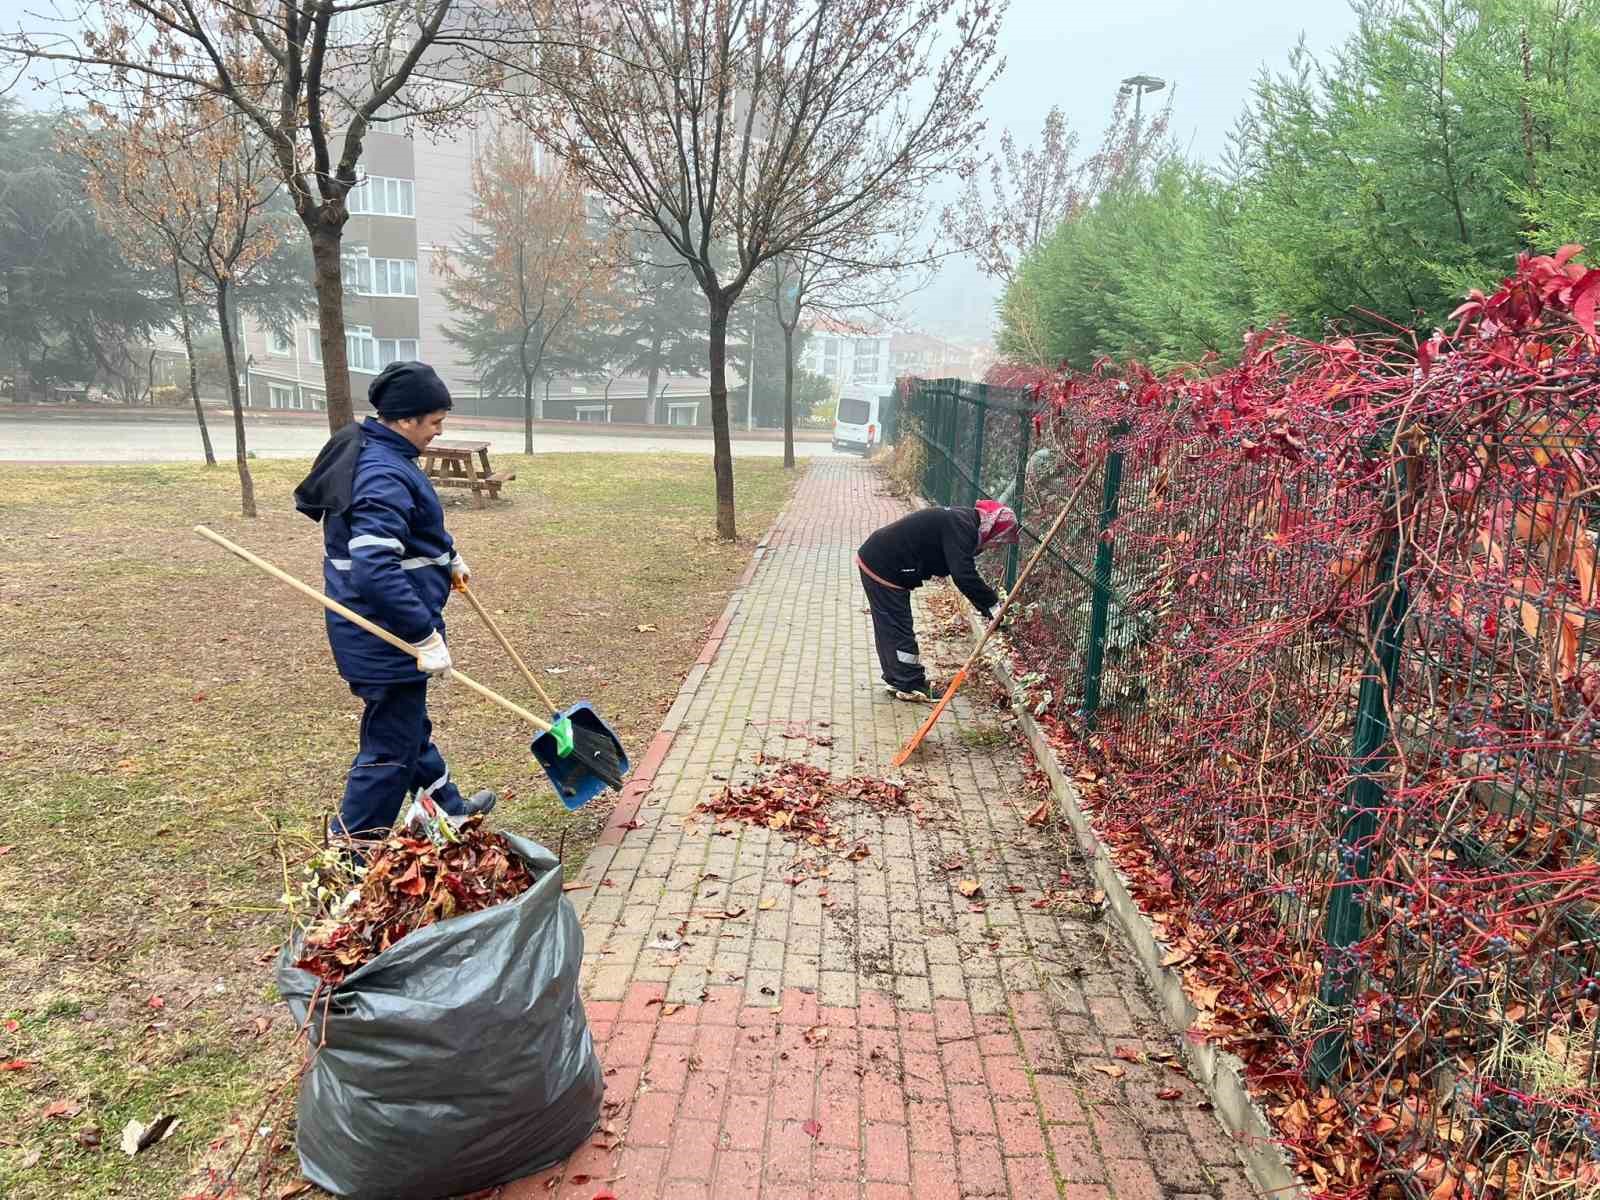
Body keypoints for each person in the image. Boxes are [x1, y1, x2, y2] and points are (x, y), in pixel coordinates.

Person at [293, 361, 497, 838]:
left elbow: (406, 535)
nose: (438, 431)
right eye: (434, 422)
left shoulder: (385, 455)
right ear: (406, 420)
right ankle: (350, 850)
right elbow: (374, 567)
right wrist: (422, 636)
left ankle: (449, 811)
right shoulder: (381, 471)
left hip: (381, 634)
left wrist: (446, 555)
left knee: (408, 729)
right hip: (383, 636)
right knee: (390, 751)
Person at [856, 500, 1020, 701]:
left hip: (880, 558)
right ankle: (909, 684)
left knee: (890, 626)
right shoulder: (962, 526)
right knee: (898, 625)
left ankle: (898, 678)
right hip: (884, 564)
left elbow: (954, 564)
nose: (994, 544)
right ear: (993, 527)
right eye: (997, 539)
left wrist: (988, 607)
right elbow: (963, 574)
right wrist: (992, 606)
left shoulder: (963, 520)